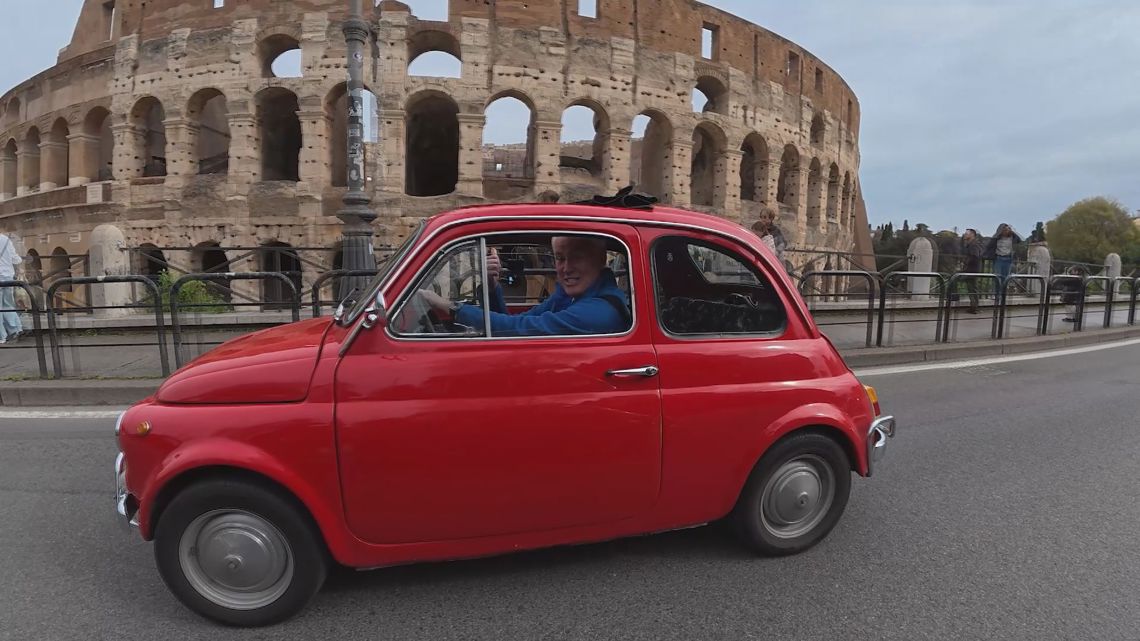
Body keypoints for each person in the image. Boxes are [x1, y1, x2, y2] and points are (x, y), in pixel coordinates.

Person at [419, 236, 629, 337]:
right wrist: (492, 286)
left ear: (600, 258)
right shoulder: (570, 296)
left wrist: (452, 308)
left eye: (576, 257)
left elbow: (519, 329)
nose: (565, 268)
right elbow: (518, 323)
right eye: (559, 258)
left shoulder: (599, 312)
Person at [984, 223, 1022, 295]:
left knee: (1005, 278)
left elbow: (1019, 240)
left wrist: (1013, 232)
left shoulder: (1012, 237)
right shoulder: (997, 238)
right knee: (997, 277)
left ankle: (1002, 295)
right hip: (999, 258)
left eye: (1008, 229)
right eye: (1005, 230)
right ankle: (995, 294)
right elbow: (989, 246)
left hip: (1008, 259)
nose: (1006, 231)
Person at [0, 232, 24, 345]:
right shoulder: (5, 239)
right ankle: (15, 329)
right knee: (7, 304)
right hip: (7, 276)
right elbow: (16, 259)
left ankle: (2, 335)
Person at [959, 228, 984, 314]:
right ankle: (974, 306)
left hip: (972, 270)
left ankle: (974, 307)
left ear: (972, 235)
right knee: (971, 288)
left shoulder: (973, 245)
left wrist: (966, 263)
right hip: (971, 269)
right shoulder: (971, 244)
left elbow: (974, 257)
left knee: (972, 288)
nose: (965, 235)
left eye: (967, 234)